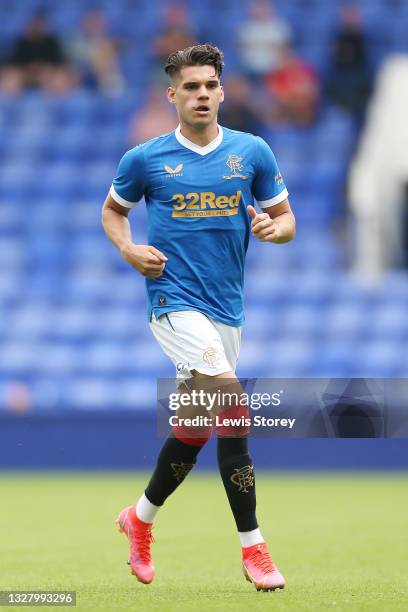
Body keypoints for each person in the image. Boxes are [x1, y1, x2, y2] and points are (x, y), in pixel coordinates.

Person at [102, 44, 295, 592]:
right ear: (173, 95)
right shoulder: (145, 159)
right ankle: (254, 547)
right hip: (172, 303)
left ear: (223, 90)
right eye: (191, 87)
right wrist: (128, 249)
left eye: (210, 85)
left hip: (226, 309)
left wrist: (273, 230)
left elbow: (286, 221)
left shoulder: (252, 152)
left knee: (193, 428)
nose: (202, 94)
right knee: (232, 399)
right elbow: (113, 211)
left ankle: (138, 519)